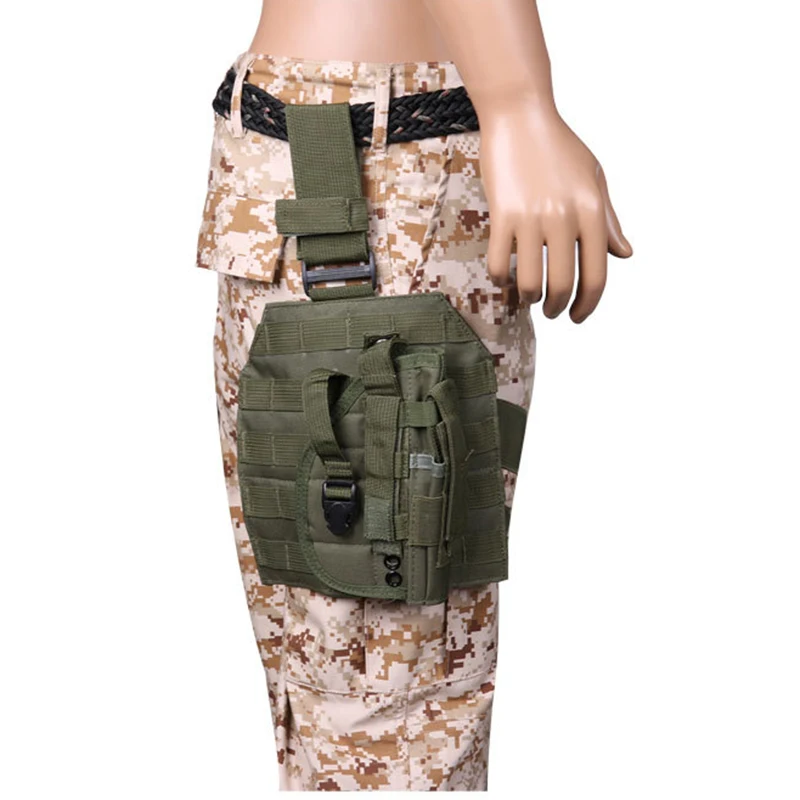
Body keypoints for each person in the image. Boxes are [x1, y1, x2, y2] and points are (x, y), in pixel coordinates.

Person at [196, 0, 632, 790]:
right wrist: (519, 103)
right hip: (381, 171)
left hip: (319, 142)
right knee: (386, 720)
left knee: (340, 696)